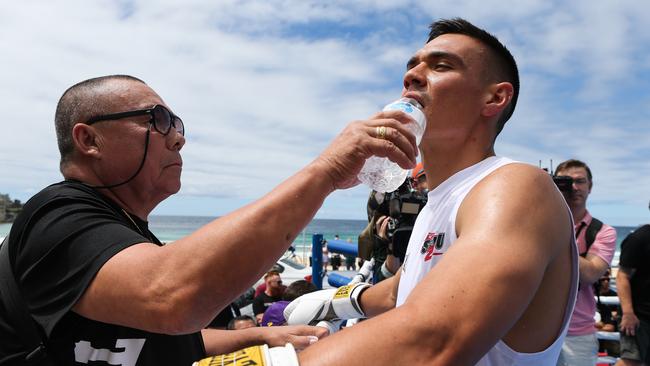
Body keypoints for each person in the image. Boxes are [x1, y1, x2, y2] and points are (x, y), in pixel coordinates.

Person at [0, 73, 419, 364]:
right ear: (89, 138)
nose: (178, 136)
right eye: (158, 120)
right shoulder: (56, 218)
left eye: (177, 123)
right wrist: (326, 170)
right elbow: (172, 299)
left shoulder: (125, 230)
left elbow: (159, 340)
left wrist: (256, 334)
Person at [278, 17, 581, 365]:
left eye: (441, 66)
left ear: (495, 97)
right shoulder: (435, 203)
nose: (412, 76)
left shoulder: (515, 186)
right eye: (412, 66)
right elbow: (400, 290)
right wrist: (340, 300)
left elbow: (430, 341)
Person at [553, 159, 617, 366]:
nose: (573, 187)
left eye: (580, 181)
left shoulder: (602, 232)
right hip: (533, 327)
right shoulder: (536, 222)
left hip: (577, 333)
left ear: (590, 186)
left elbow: (590, 273)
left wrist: (554, 229)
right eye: (565, 182)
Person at [616, 220, 650, 366]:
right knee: (630, 361)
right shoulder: (640, 238)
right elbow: (622, 276)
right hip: (638, 316)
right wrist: (628, 313)